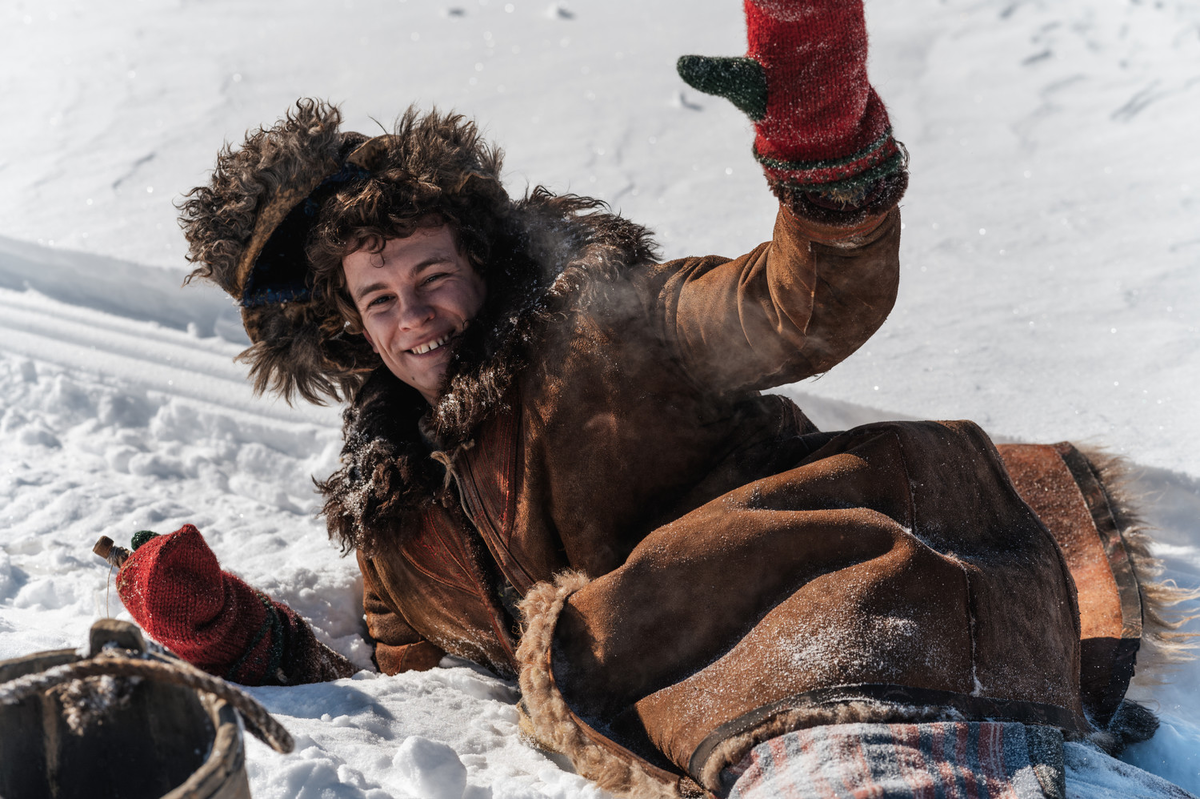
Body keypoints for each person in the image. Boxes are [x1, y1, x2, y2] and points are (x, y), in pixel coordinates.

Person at [115, 2, 1194, 797]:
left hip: (824, 641)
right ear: (352, 326)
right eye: (382, 297)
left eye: (434, 276)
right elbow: (405, 688)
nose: (417, 315)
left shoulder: (612, 331)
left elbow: (807, 304)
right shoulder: (397, 523)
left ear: (482, 264)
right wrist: (230, 633)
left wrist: (821, 143)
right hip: (684, 726)